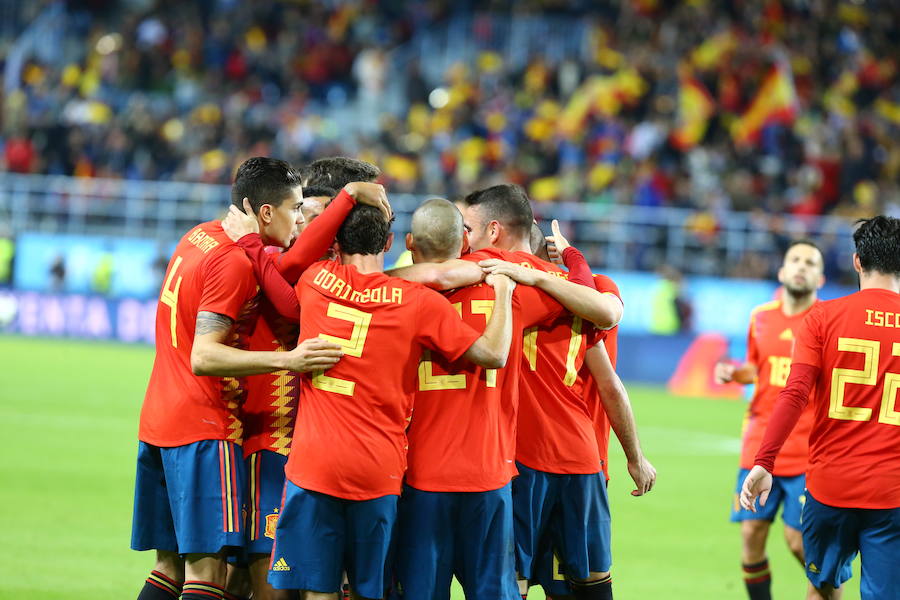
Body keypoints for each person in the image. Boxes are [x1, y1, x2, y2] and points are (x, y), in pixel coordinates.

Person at [267, 203, 518, 600]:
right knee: (372, 591)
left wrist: (347, 196)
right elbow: (491, 353)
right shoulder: (417, 302)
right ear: (389, 242)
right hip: (378, 469)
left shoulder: (314, 280)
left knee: (317, 590)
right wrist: (503, 292)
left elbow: (293, 259)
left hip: (314, 464)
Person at [132, 157, 350, 600]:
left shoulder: (197, 236)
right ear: (266, 211)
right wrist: (289, 361)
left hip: (159, 419)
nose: (299, 223)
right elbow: (206, 355)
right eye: (296, 211)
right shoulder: (236, 262)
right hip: (206, 426)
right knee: (208, 575)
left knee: (169, 568)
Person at [398, 184, 622, 600]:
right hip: (508, 468)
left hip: (438, 469)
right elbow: (606, 311)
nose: (466, 237)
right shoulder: (531, 286)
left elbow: (434, 274)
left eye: (470, 227)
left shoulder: (416, 289)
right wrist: (566, 262)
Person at [741, 216, 900, 600]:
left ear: (857, 261)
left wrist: (764, 462)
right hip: (893, 493)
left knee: (823, 588)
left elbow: (794, 394)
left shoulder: (822, 317)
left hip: (831, 488)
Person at [529, 221, 656, 600]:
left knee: (537, 581)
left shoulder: (517, 292)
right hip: (578, 461)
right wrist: (634, 458)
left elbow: (609, 320)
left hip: (547, 461)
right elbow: (611, 382)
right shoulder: (597, 288)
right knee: (575, 581)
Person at [238, 183, 336, 600]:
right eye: (304, 214)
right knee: (266, 579)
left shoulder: (339, 281)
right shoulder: (273, 262)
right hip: (274, 441)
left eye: (319, 219)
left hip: (324, 453)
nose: (304, 223)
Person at [714, 241, 826, 600]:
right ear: (781, 272)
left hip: (808, 451)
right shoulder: (760, 316)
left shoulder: (827, 321)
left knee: (799, 543)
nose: (801, 267)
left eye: (810, 263)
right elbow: (757, 369)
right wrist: (735, 373)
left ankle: (828, 590)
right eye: (795, 260)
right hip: (759, 446)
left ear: (821, 278)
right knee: (751, 536)